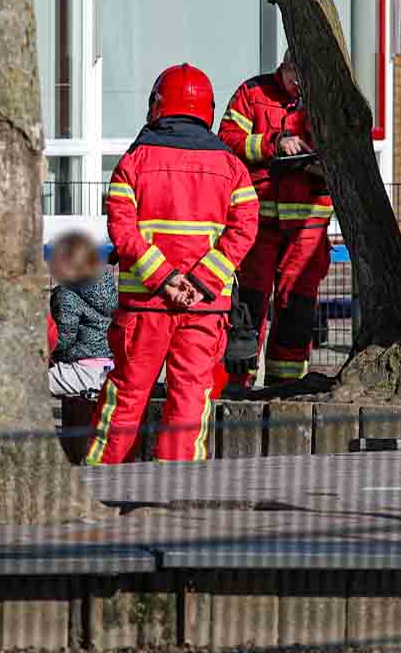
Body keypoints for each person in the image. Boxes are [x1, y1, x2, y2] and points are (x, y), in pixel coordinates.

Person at [88, 64, 259, 465]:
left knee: (126, 396)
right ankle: (176, 492)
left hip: (145, 308)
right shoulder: (232, 168)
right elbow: (244, 231)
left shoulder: (134, 161)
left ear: (157, 105)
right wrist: (199, 282)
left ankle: (98, 484)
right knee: (190, 400)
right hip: (204, 308)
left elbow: (122, 228)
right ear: (208, 109)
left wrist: (163, 279)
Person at [218, 57, 332, 385]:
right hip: (258, 221)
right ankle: (238, 385)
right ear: (284, 67)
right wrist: (274, 144)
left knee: (296, 309)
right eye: (295, 76)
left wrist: (313, 164)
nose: (300, 85)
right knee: (250, 306)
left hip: (308, 225)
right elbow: (227, 140)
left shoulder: (326, 97)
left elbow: (345, 151)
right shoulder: (252, 93)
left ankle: (285, 386)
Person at [47, 231, 115, 400]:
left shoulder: (66, 293)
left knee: (29, 381)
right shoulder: (109, 287)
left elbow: (64, 339)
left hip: (81, 371)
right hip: (110, 370)